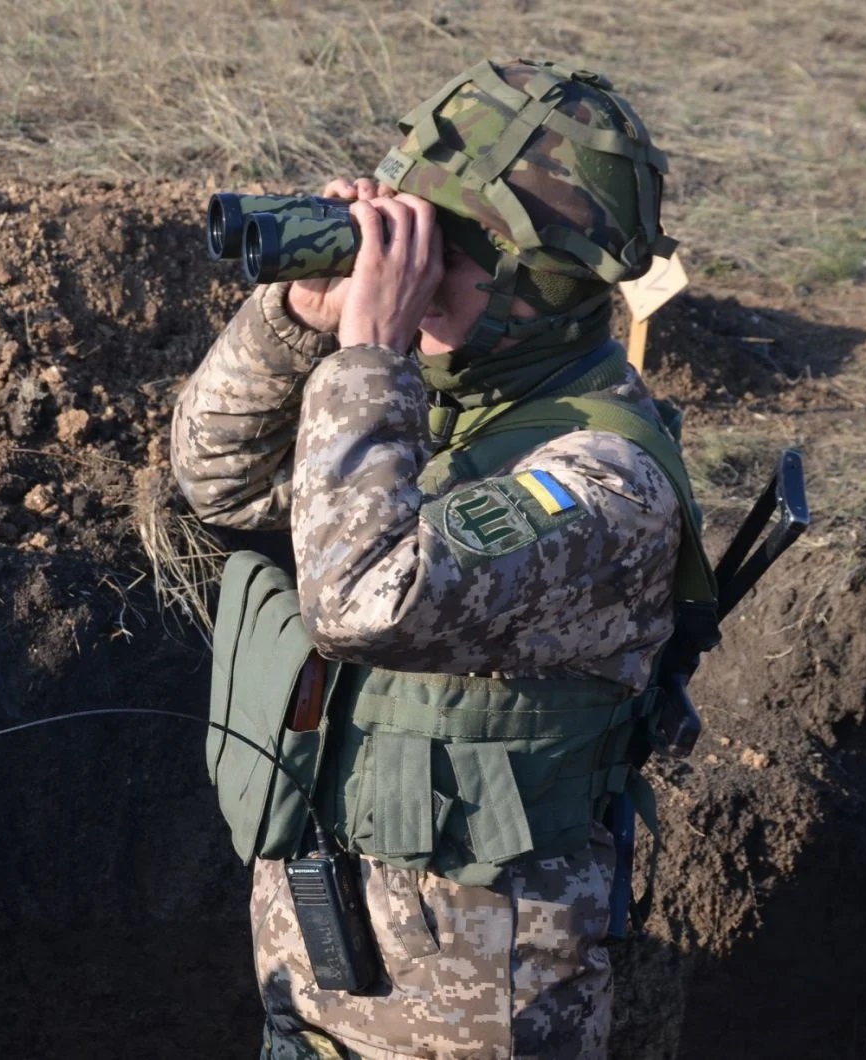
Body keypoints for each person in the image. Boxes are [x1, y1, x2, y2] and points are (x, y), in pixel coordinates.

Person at [171, 58, 705, 1059]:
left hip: (469, 1025)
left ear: (529, 288)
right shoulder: (433, 412)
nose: (400, 267)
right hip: (321, 989)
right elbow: (218, 479)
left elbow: (365, 602)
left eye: (435, 250)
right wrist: (298, 325)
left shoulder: (603, 481)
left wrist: (369, 358)